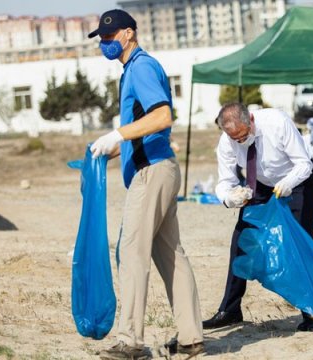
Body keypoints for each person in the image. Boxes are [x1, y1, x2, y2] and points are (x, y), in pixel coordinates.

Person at [87, 9, 203, 359]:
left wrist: (118, 134)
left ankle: (130, 342)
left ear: (128, 33)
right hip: (159, 167)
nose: (105, 43)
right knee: (170, 255)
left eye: (110, 37)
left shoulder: (140, 67)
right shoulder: (134, 69)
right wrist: (115, 147)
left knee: (131, 252)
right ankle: (190, 337)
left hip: (151, 172)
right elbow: (146, 124)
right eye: (101, 39)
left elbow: (163, 115)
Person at [206, 103, 313, 331]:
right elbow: (225, 181)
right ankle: (230, 310)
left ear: (250, 119)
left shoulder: (277, 122)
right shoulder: (227, 141)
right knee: (241, 240)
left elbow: (303, 164)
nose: (239, 141)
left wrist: (286, 184)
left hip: (296, 179)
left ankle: (311, 312)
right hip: (259, 183)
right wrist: (230, 198)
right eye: (234, 138)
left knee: (300, 244)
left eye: (243, 135)